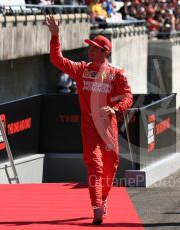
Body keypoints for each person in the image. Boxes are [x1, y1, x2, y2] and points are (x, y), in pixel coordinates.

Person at [46, 15, 133, 225]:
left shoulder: (116, 74)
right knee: (95, 166)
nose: (90, 50)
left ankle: (102, 200)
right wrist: (55, 36)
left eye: (95, 47)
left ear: (105, 52)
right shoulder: (81, 70)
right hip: (89, 128)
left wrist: (115, 108)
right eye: (90, 46)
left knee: (111, 166)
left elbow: (128, 97)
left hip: (109, 127)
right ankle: (96, 207)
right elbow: (57, 60)